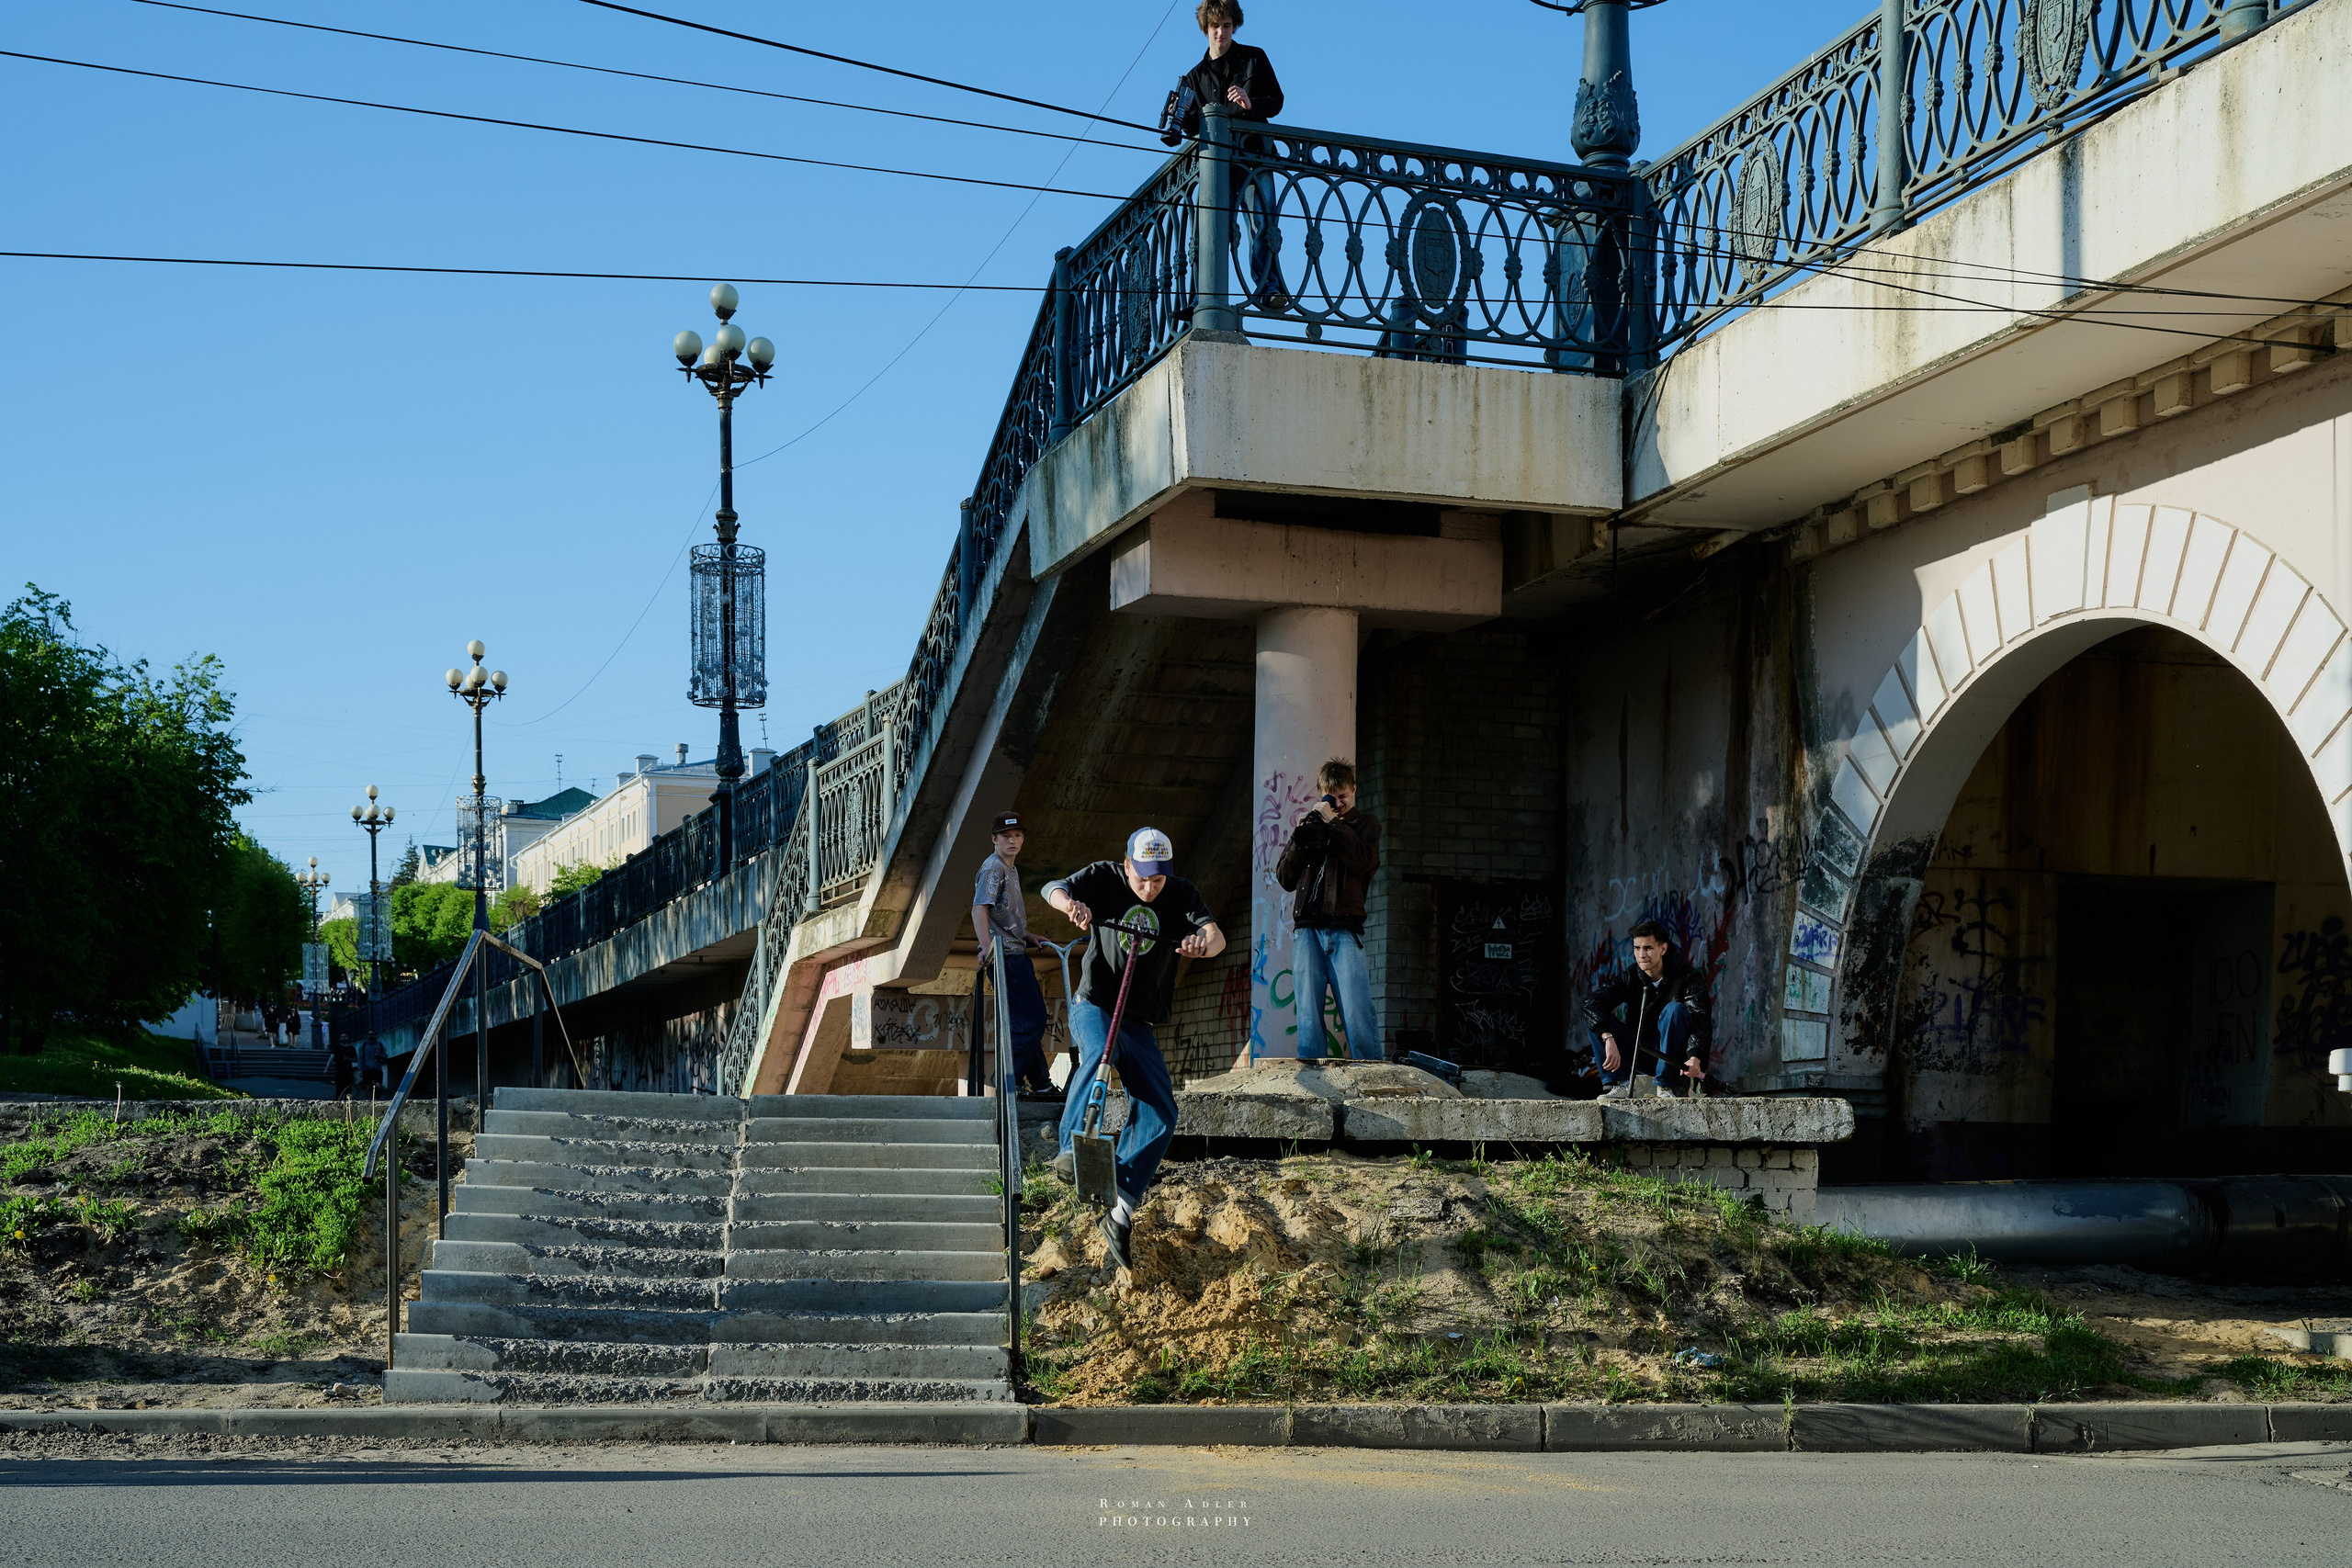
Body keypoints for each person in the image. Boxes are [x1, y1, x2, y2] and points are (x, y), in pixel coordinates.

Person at [1044, 828, 1226, 1272]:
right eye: (1142, 880)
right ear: (1127, 867)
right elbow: (1052, 888)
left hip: (1139, 1019)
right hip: (1096, 1004)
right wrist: (1072, 905)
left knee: (1163, 1109)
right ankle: (1070, 1146)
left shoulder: (1181, 894)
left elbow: (1216, 935)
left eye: (1157, 882)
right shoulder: (1104, 878)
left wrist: (1204, 945)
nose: (1149, 889)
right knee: (1100, 1057)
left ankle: (1122, 1208)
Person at [1175, 2, 1289, 310]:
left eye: (1226, 26)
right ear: (1205, 29)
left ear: (1234, 26)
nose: (1221, 32)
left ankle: (1269, 289)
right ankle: (1203, 299)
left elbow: (1277, 101)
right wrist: (1178, 117)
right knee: (1209, 229)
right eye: (1215, 26)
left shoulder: (1254, 58)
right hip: (1217, 166)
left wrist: (1251, 103)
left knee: (1263, 224)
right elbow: (1188, 130)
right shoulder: (1194, 77)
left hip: (1255, 156)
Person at [1274, 757, 1383, 1061]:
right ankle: (1315, 1084)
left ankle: (1373, 1079)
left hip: (1345, 931)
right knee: (1308, 1015)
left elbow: (1363, 862)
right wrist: (1301, 836)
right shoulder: (1314, 825)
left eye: (1342, 796)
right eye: (1330, 796)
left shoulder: (1366, 825)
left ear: (1354, 790)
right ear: (1320, 792)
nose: (1336, 802)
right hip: (1307, 931)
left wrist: (1333, 823)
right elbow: (1285, 878)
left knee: (1357, 1012)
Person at [971, 811, 1056, 1098]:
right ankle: (1008, 1078)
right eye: (1007, 836)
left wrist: (1027, 936)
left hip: (1016, 951)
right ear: (994, 839)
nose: (1013, 840)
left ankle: (1041, 1083)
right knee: (1031, 1021)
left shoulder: (1010, 868)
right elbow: (979, 909)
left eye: (1018, 835)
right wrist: (986, 948)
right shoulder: (993, 868)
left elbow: (1002, 914)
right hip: (1005, 957)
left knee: (1027, 1021)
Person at [1582, 920, 1710, 1099]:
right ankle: (1620, 1083)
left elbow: (1700, 1020)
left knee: (1674, 1009)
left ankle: (1665, 1086)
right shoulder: (1632, 976)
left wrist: (1695, 1056)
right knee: (1595, 1016)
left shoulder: (1688, 977)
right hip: (1641, 1051)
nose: (1641, 955)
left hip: (1673, 1058)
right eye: (1637, 948)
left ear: (1663, 949)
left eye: (1648, 948)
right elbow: (1591, 1003)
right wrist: (1607, 1037)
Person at [330, 1035, 356, 1100]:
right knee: (339, 1087)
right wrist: (326, 1068)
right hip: (339, 1070)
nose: (343, 1038)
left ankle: (348, 1102)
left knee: (348, 1088)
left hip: (348, 1071)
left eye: (345, 1037)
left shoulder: (351, 1048)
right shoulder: (337, 1047)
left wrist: (349, 1059)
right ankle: (338, 1101)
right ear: (340, 1039)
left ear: (347, 1038)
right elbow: (331, 1057)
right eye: (342, 1037)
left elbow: (355, 1059)